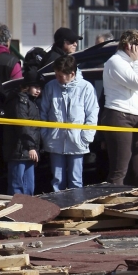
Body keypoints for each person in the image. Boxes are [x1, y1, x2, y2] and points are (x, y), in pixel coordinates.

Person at [40, 56, 98, 191]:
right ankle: (59, 209)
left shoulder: (86, 88)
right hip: (54, 141)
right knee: (57, 180)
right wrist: (45, 134)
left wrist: (86, 137)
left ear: (72, 74)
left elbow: (92, 114)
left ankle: (75, 207)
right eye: (56, 74)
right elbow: (43, 112)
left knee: (76, 180)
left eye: (60, 76)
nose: (57, 78)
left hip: (77, 142)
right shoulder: (51, 87)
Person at [102, 29, 138, 186]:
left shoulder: (131, 63)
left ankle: (134, 204)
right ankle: (112, 206)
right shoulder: (115, 62)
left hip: (136, 117)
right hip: (119, 116)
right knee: (119, 170)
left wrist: (136, 62)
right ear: (129, 45)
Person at [1, 67, 42, 195]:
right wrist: (30, 147)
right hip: (19, 151)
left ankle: (27, 212)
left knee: (28, 186)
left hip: (26, 151)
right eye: (35, 87)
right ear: (27, 86)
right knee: (18, 186)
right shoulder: (20, 101)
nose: (38, 91)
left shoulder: (30, 101)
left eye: (40, 88)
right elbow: (22, 125)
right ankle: (16, 213)